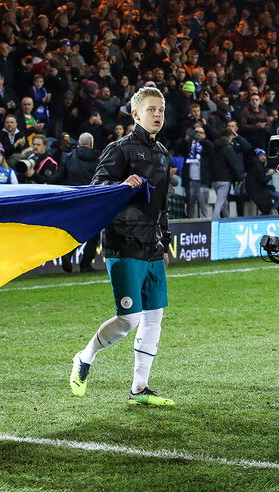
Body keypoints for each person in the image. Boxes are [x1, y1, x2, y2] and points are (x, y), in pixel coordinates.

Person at [69, 86, 175, 406]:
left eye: (161, 109)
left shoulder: (163, 153)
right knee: (128, 319)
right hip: (123, 241)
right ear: (136, 114)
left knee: (154, 317)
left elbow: (162, 203)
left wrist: (165, 241)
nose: (158, 114)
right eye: (152, 109)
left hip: (152, 246)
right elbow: (96, 187)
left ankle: (139, 389)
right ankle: (84, 357)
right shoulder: (120, 149)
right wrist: (119, 186)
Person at [51, 132, 102, 272]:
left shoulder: (68, 157)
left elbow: (58, 177)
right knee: (94, 232)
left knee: (76, 229)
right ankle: (85, 264)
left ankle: (68, 253)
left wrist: (44, 184)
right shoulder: (98, 160)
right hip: (92, 201)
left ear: (79, 143)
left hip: (73, 200)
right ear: (91, 144)